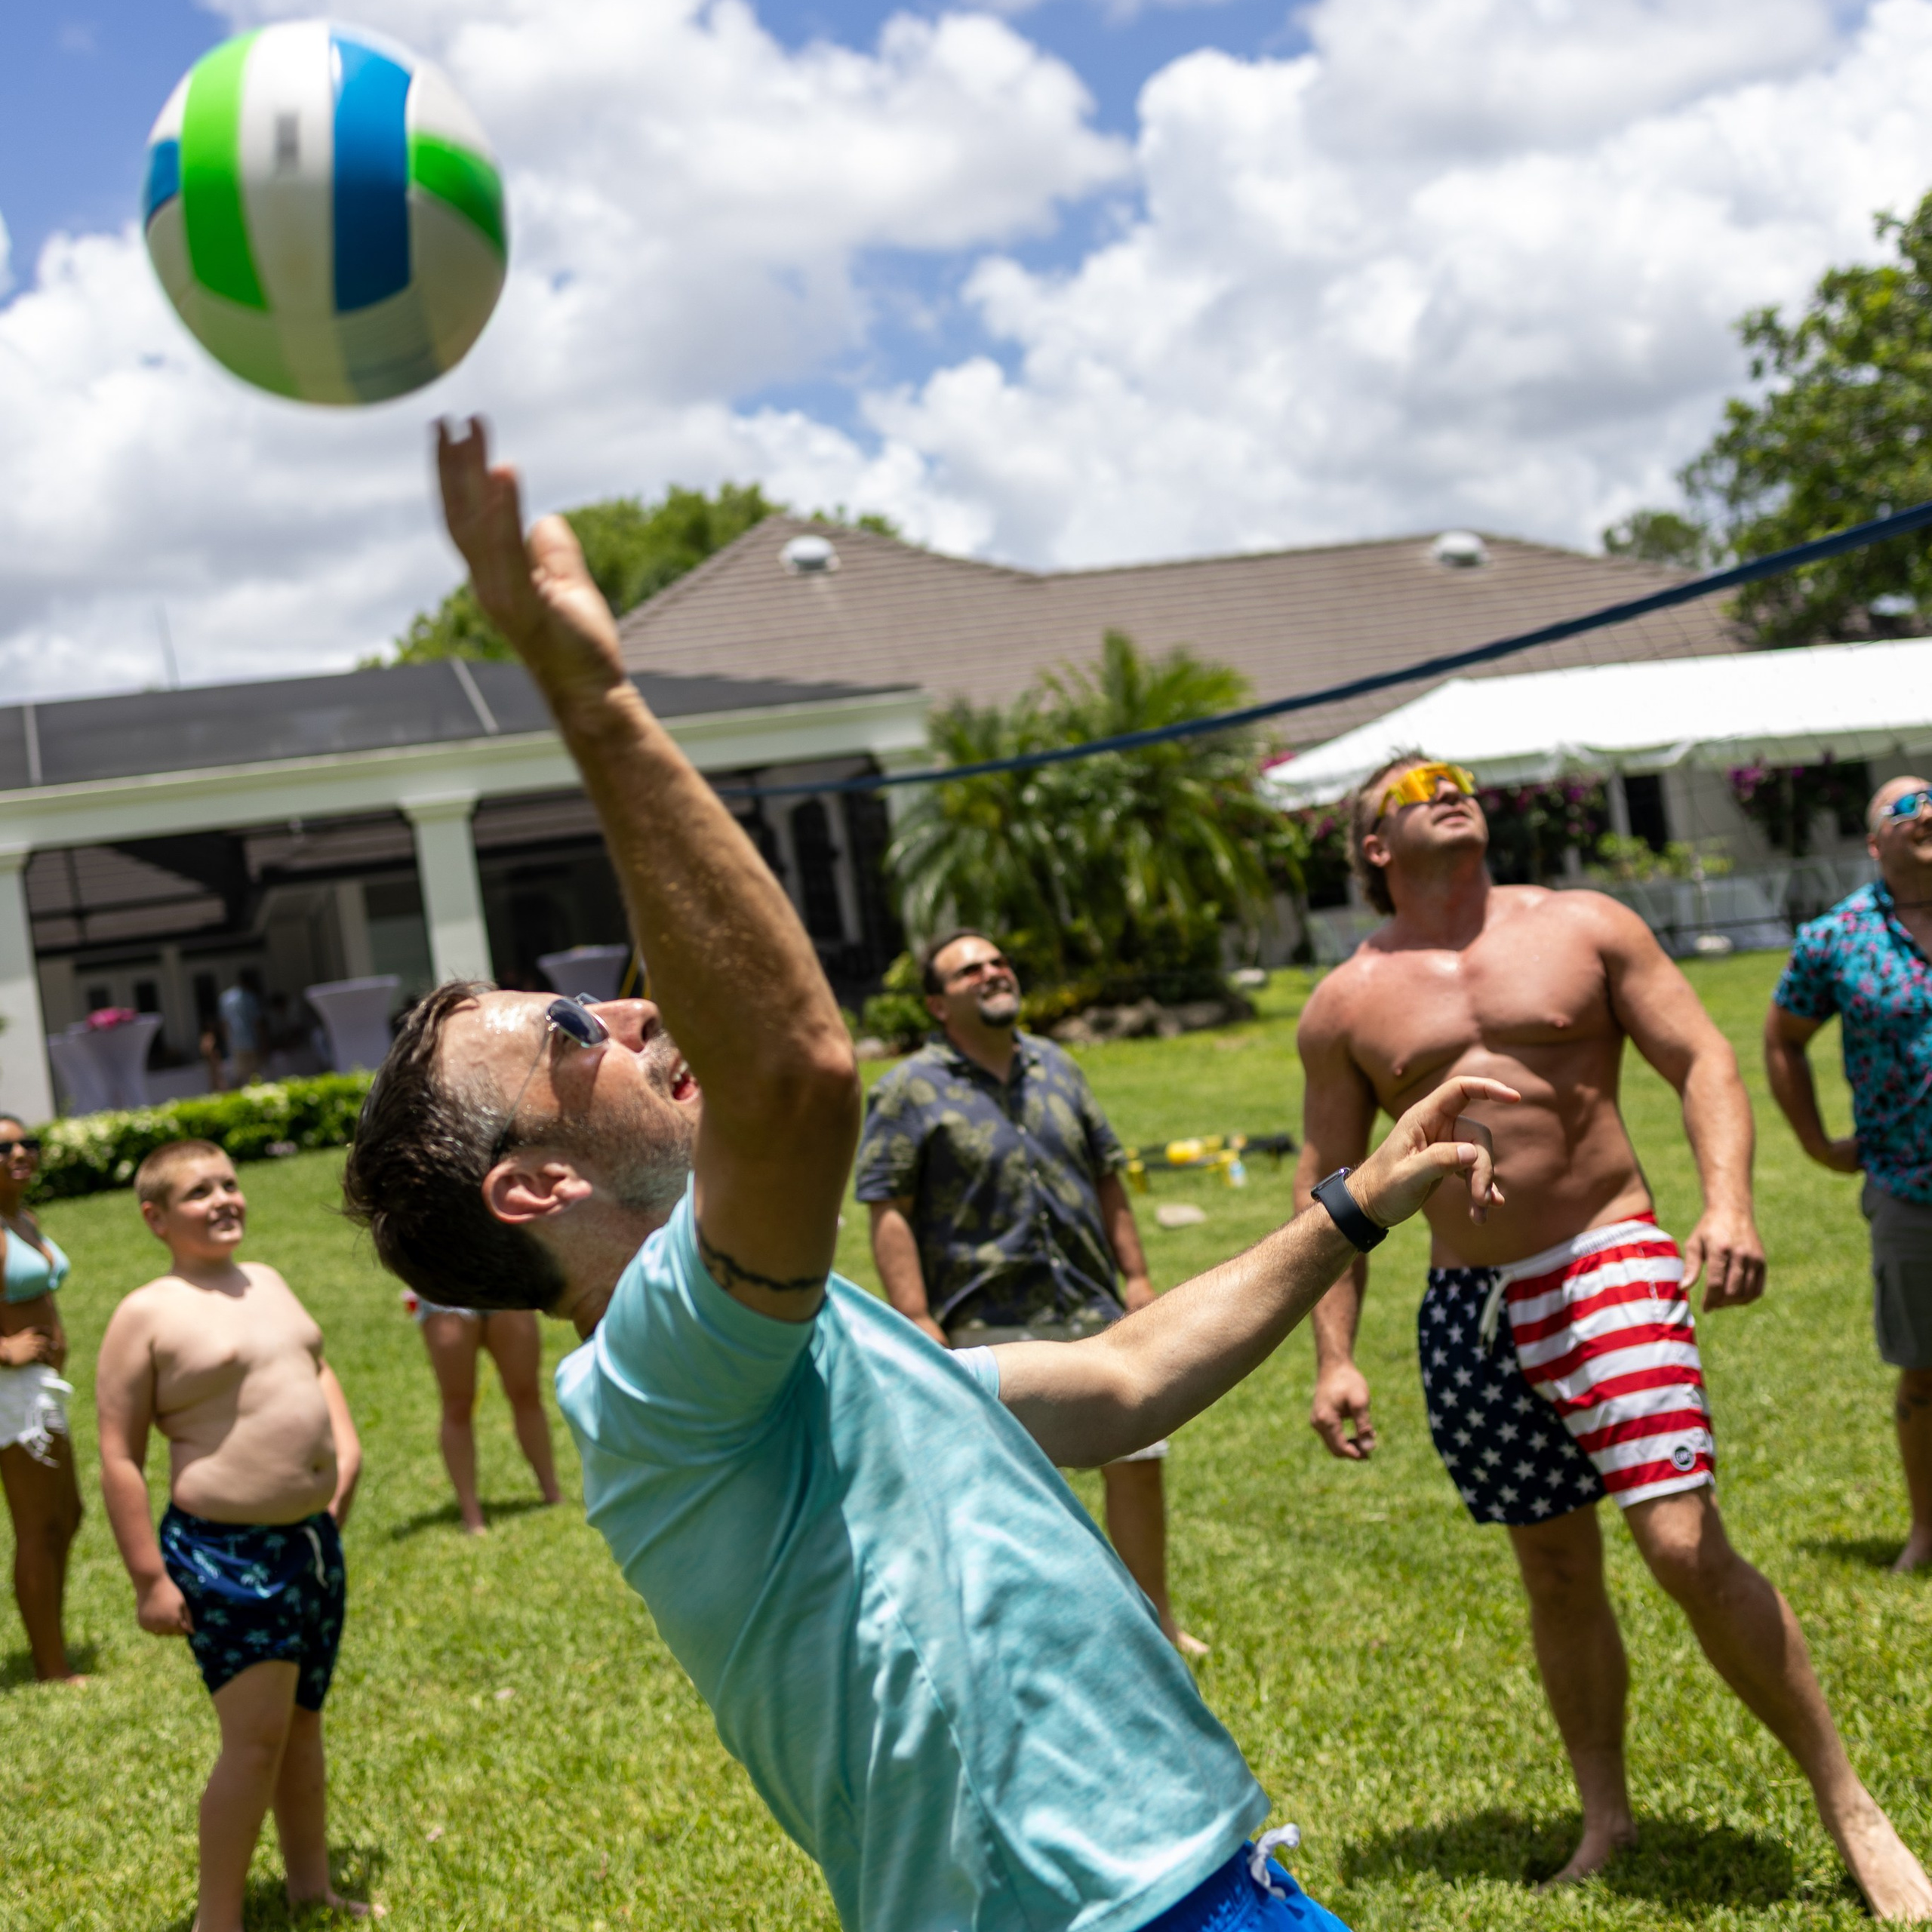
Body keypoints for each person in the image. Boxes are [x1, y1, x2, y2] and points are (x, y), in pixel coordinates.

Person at [340, 417, 1522, 1932]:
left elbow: (1121, 1382)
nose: (627, 1015)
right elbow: (795, 1074)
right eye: (572, 1030)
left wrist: (1357, 1199)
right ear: (532, 1190)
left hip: (1194, 1876)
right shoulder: (654, 1376)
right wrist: (592, 695)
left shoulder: (795, 1354)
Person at [1295, 753, 1932, 1918]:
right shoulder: (1346, 1003)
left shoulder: (1582, 925)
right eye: (1419, 786)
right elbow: (1332, 1187)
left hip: (1606, 1259)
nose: (1452, 791)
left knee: (1682, 1546)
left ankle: (1851, 1808)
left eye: (1460, 777)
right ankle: (1606, 1815)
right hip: (1467, 1305)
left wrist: (1728, 1204)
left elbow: (1702, 1056)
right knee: (1552, 1569)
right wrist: (1334, 1356)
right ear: (1373, 847)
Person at [858, 928, 1207, 1654]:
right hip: (985, 1316)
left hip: (1089, 1303)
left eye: (998, 962)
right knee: (998, 1493)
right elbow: (888, 1205)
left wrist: (1138, 1277)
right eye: (970, 970)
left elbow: (1107, 1175)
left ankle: (1156, 1625)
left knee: (1139, 1459)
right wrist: (915, 1314)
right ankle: (1011, 1644)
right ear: (938, 1004)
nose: (993, 973)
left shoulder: (1058, 1066)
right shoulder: (907, 1089)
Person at [96, 1140, 369, 1931]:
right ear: (155, 1218)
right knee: (254, 1741)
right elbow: (118, 1454)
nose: (222, 1200)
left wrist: (346, 1450)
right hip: (226, 1555)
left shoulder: (268, 1282)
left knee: (302, 1723)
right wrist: (149, 1578)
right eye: (198, 1193)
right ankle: (217, 1921)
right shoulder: (147, 1313)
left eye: (228, 1183)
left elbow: (313, 1365)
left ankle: (311, 1888)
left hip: (309, 1543)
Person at [1764, 774, 1932, 1573]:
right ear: (1873, 843)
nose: (1925, 811)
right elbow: (1782, 1039)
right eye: (1903, 806)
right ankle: (1928, 1530)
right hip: (1909, 1185)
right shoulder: (1836, 938)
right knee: (1923, 1369)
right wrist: (1815, 1143)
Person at [0, 1118, 85, 1682]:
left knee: (67, 1514)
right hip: (11, 1393)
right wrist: (5, 1349)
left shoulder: (22, 1219)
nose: (19, 1153)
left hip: (40, 1388)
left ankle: (51, 1646)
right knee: (39, 1525)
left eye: (26, 1143)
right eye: (3, 1147)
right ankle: (51, 1667)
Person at [408, 1294, 561, 1534]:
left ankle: (553, 1495)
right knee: (457, 1405)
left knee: (527, 1393)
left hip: (505, 1285)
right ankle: (471, 1515)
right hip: (446, 1292)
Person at [218, 980, 263, 1086]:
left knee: (239, 1076)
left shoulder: (225, 998)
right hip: (251, 1041)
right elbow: (257, 1021)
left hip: (235, 1043)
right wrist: (263, 1040)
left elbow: (224, 1024)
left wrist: (227, 1043)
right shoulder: (249, 997)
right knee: (254, 1075)